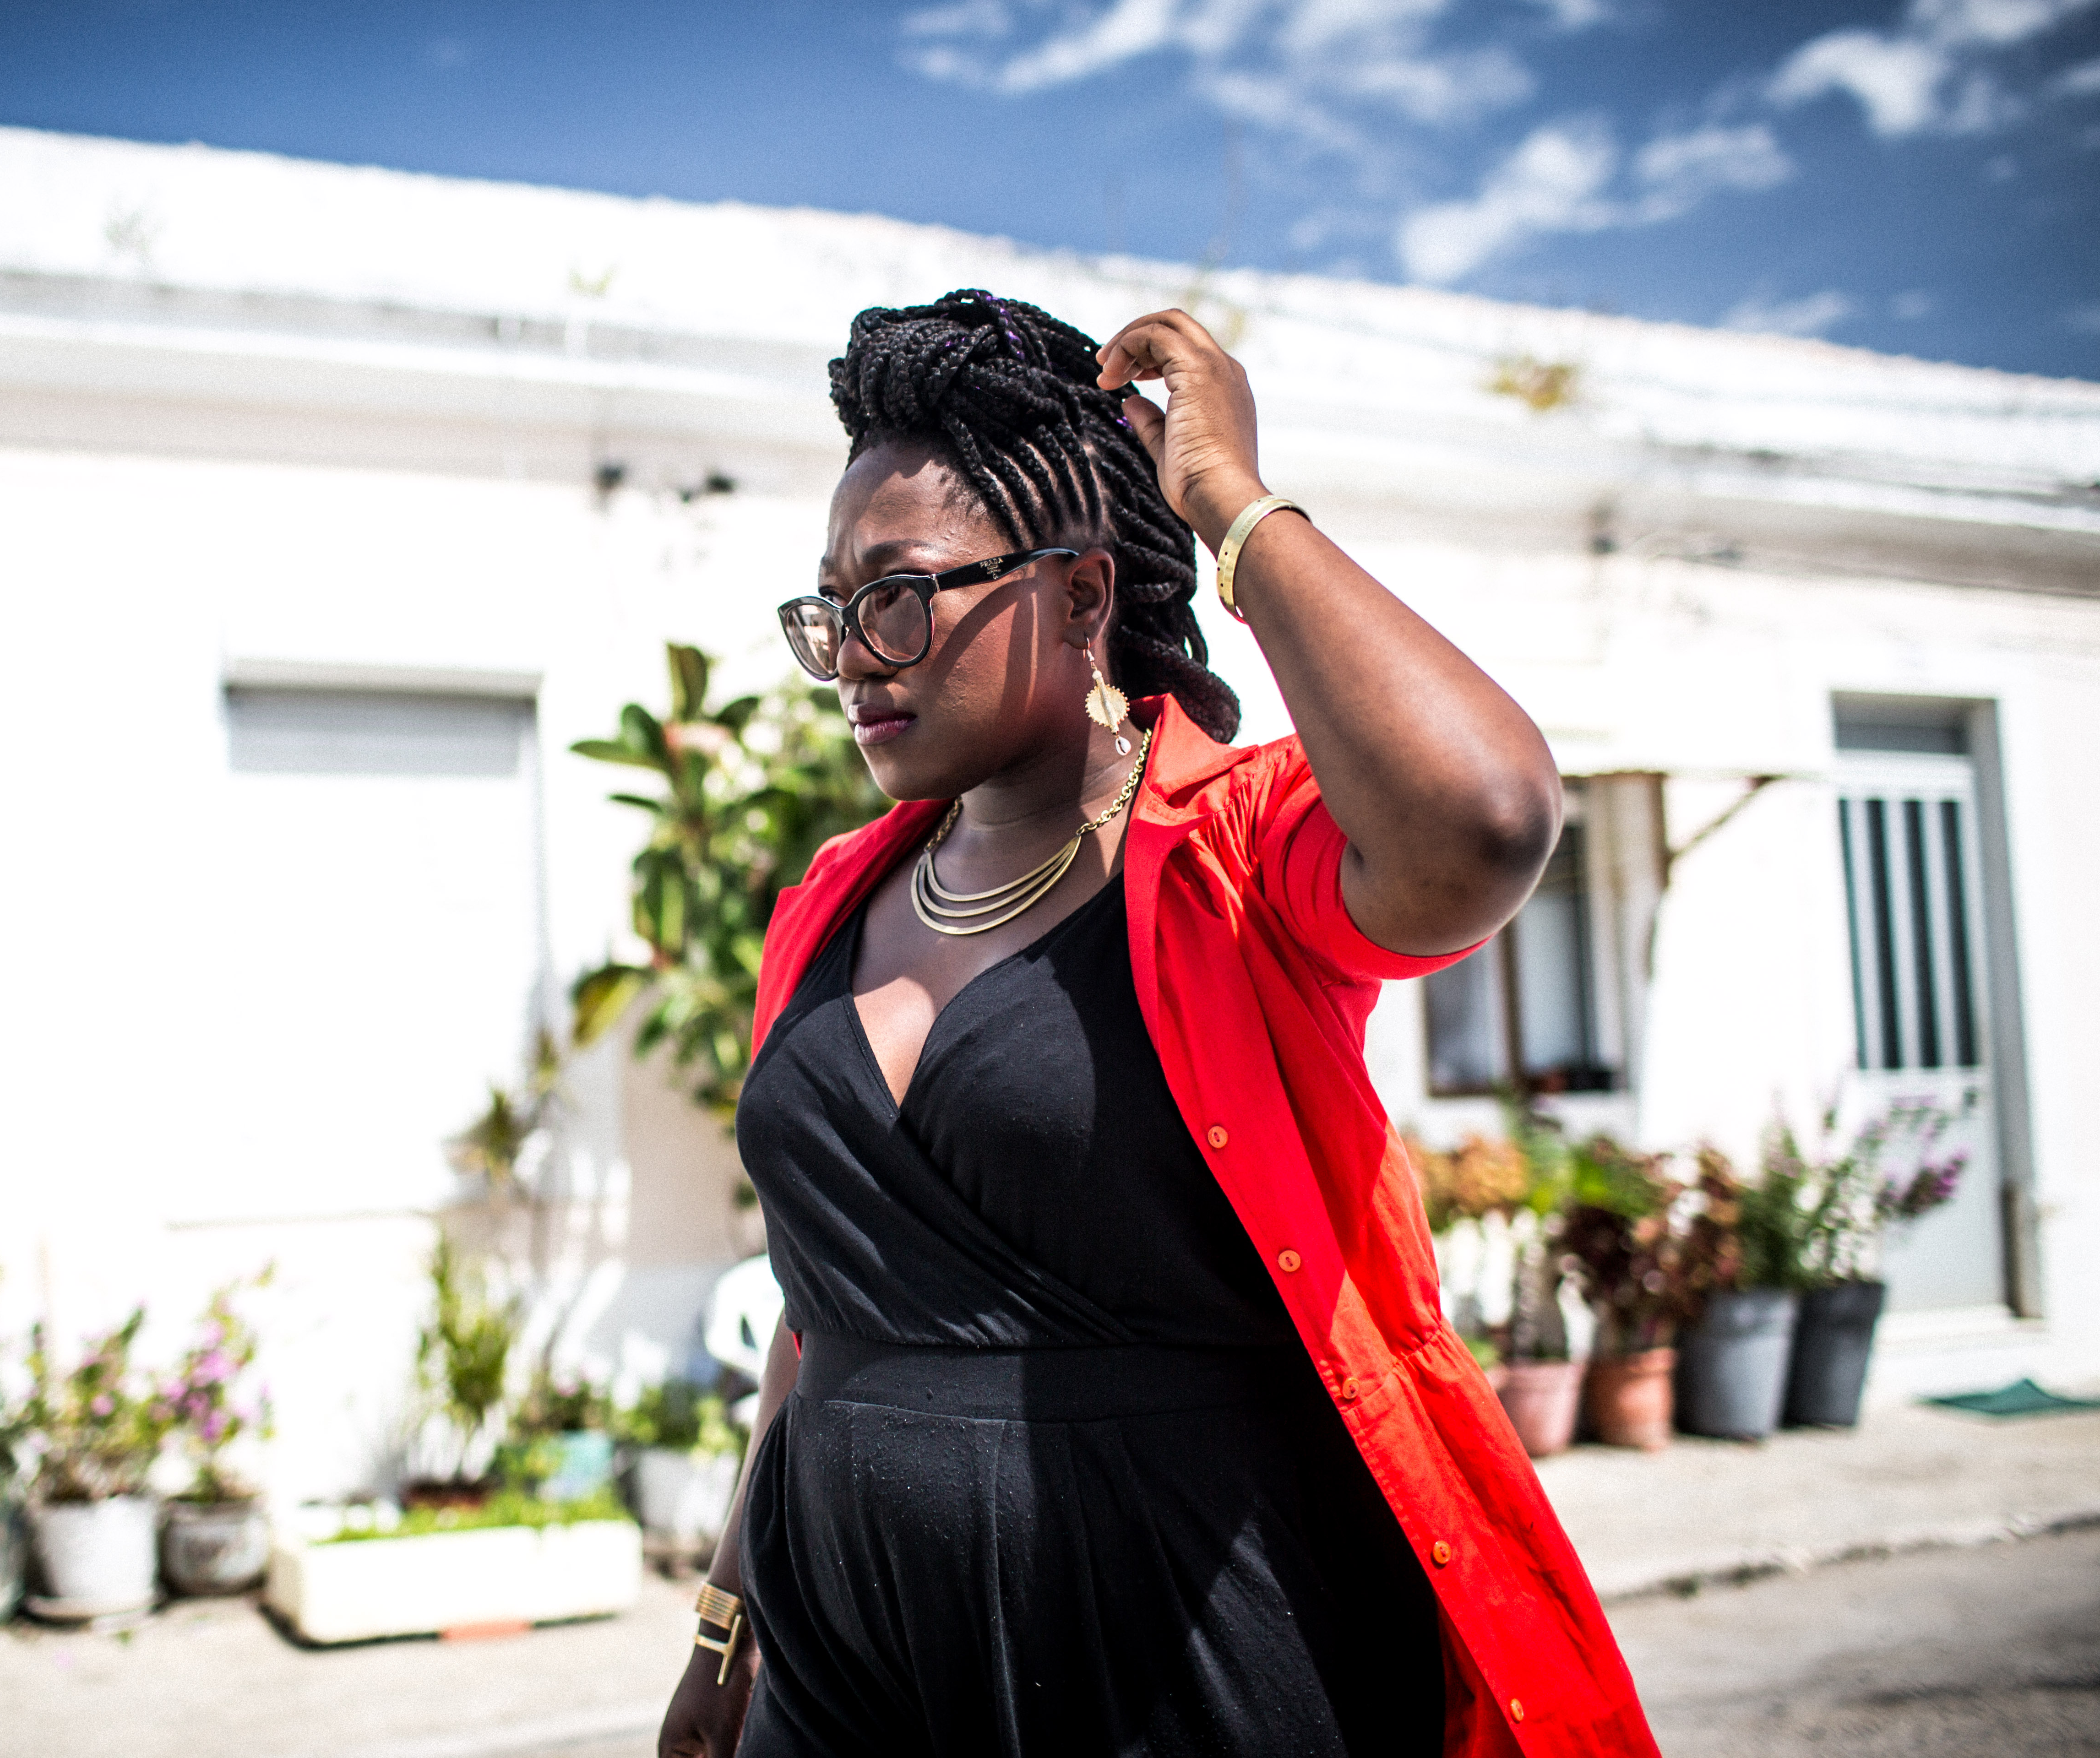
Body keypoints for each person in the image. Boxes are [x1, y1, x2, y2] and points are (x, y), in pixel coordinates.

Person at [656, 291, 1656, 1758]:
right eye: (833, 608)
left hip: (1172, 1654)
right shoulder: (828, 901)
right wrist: (728, 1618)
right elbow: (820, 1310)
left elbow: (1485, 817)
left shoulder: (1233, 854)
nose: (857, 652)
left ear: (1079, 596)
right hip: (842, 1669)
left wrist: (1229, 499)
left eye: (899, 594)